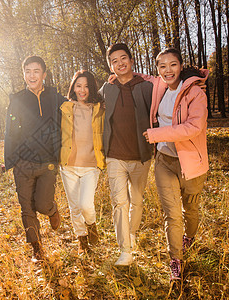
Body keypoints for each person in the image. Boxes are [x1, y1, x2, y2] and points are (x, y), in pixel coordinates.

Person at [143, 48, 209, 281]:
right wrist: (117, 76)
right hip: (164, 162)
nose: (167, 70)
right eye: (162, 66)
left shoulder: (195, 94)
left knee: (190, 209)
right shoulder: (159, 88)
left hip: (190, 162)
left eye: (172, 65)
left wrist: (158, 134)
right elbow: (145, 78)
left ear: (181, 66)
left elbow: (194, 127)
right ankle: (176, 261)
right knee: (172, 215)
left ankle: (189, 237)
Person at [4, 55, 66, 262]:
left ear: (44, 74)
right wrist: (12, 160)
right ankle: (36, 247)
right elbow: (10, 130)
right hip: (23, 163)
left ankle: (52, 209)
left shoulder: (55, 97)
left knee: (41, 203)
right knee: (26, 208)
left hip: (48, 162)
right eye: (28, 71)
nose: (32, 75)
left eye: (36, 71)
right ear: (24, 74)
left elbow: (77, 105)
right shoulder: (17, 99)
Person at [99, 43, 154, 266]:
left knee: (137, 201)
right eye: (114, 61)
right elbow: (84, 100)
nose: (120, 63)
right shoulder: (107, 89)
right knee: (119, 202)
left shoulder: (147, 87)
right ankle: (125, 250)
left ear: (131, 60)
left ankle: (131, 233)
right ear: (110, 66)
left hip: (141, 155)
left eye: (123, 59)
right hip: (114, 155)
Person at [60, 70, 106, 254]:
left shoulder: (99, 109)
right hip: (68, 166)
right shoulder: (64, 107)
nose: (82, 90)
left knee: (86, 204)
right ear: (73, 87)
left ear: (92, 88)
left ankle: (91, 225)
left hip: (90, 165)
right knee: (75, 207)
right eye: (78, 85)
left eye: (86, 86)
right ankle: (82, 238)